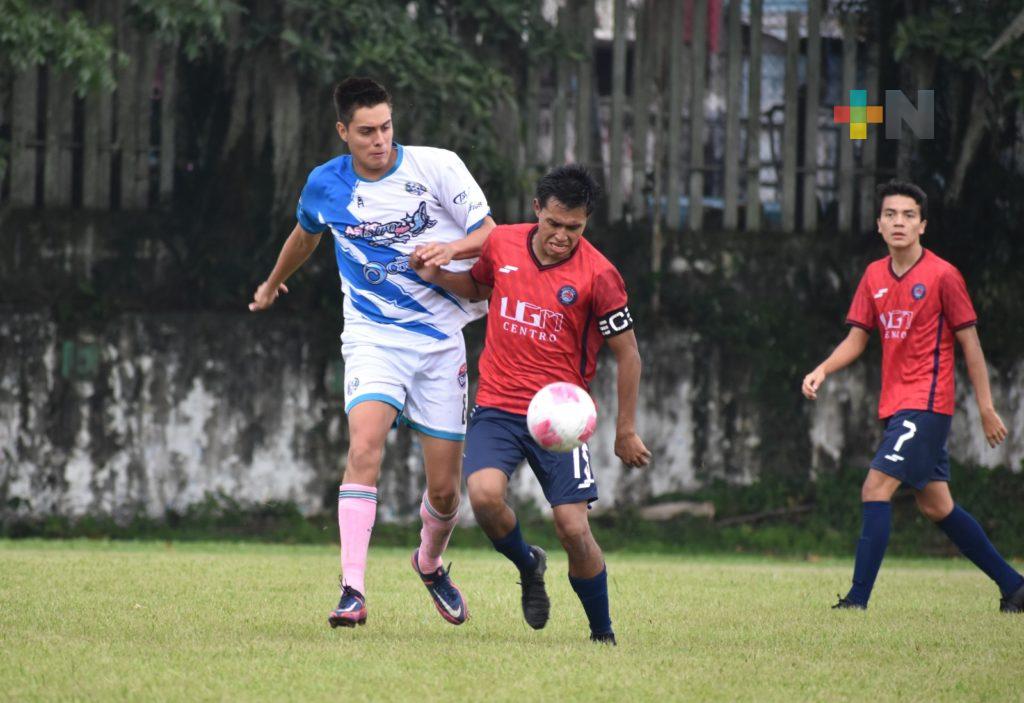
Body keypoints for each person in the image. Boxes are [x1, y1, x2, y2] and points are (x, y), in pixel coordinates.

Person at [249, 77, 496, 628]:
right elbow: (306, 235)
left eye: (385, 127)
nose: (379, 140)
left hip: (439, 343)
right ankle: (352, 592)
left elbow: (489, 232)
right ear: (343, 131)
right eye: (366, 132)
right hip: (372, 338)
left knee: (445, 491)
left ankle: (428, 562)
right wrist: (271, 282)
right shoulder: (326, 184)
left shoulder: (437, 167)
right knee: (364, 447)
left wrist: (450, 248)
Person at [410, 164, 652, 644]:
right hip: (498, 405)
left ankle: (602, 633)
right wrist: (437, 275)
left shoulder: (600, 274)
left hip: (560, 416)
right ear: (537, 209)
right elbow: (480, 288)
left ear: (586, 221)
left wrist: (625, 429)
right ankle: (528, 564)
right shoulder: (501, 243)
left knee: (573, 529)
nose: (562, 236)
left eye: (574, 228)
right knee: (483, 496)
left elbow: (628, 353)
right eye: (554, 223)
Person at [802, 179, 1024, 613]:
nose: (899, 222)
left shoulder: (943, 275)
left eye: (908, 215)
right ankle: (1014, 586)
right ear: (879, 225)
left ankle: (856, 601)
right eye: (890, 215)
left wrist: (986, 408)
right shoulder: (874, 276)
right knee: (937, 506)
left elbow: (971, 345)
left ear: (922, 225)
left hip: (927, 403)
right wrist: (822, 369)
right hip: (897, 405)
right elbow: (857, 338)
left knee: (875, 486)